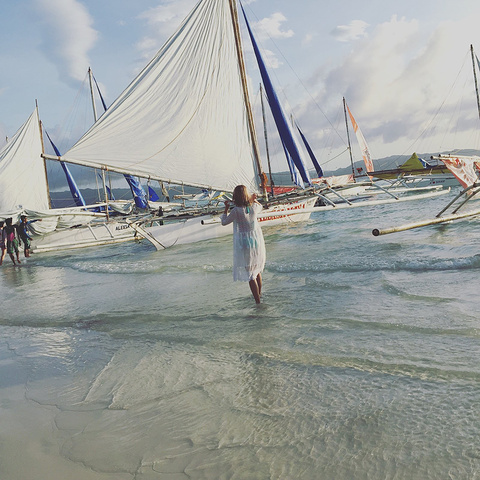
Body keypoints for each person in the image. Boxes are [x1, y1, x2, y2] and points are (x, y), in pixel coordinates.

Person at [221, 185, 266, 304]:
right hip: (256, 241)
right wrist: (254, 199)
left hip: (244, 243)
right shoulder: (254, 207)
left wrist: (225, 209)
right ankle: (259, 295)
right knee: (256, 271)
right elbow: (260, 206)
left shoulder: (236, 211)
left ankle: (257, 301)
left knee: (250, 273)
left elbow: (224, 222)